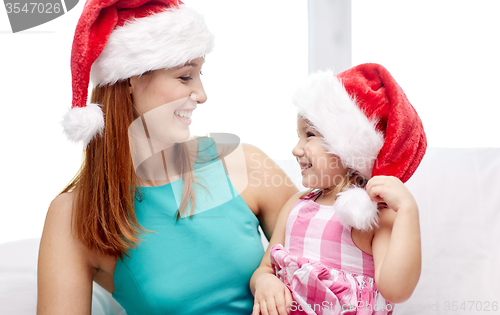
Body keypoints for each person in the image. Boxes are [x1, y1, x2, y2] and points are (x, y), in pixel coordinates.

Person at [37, 0, 297, 314]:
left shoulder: (243, 163)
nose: (202, 95)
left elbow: (333, 256)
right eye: (185, 77)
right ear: (131, 79)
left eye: (200, 75)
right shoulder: (74, 216)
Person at [250, 64, 427, 315]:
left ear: (348, 147)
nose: (296, 149)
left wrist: (408, 212)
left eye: (309, 135)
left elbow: (396, 290)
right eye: (298, 136)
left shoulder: (373, 217)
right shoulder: (296, 205)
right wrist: (264, 283)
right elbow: (265, 269)